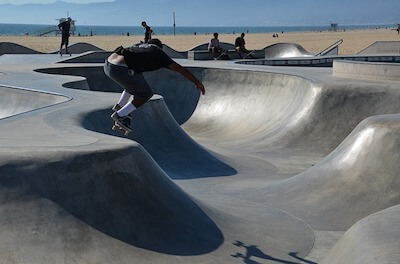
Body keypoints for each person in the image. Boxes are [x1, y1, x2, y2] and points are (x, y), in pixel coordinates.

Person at [104, 38, 205, 132]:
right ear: (160, 47)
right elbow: (179, 69)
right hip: (120, 68)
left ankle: (120, 106)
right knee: (146, 94)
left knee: (135, 81)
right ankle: (120, 115)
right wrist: (197, 82)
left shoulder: (139, 46)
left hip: (108, 64)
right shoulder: (158, 53)